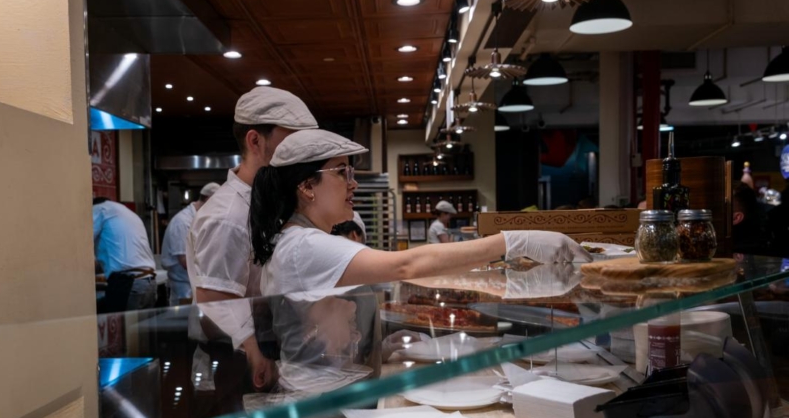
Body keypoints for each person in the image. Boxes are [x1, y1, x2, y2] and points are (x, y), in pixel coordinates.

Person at [249, 130, 592, 297]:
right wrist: (512, 242)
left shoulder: (297, 240)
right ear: (307, 186)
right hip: (320, 395)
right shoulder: (304, 245)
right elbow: (406, 265)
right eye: (342, 172)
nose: (353, 183)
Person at [186, 86, 318, 389]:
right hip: (238, 357)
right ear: (255, 140)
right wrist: (255, 354)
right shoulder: (227, 216)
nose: (300, 151)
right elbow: (216, 301)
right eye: (292, 140)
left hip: (268, 344)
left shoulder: (268, 201)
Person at [92, 197, 157, 311]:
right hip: (149, 281)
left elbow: (82, 245)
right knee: (142, 323)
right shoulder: (124, 211)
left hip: (129, 283)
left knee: (121, 322)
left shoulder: (98, 209)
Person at [161, 182, 219, 306]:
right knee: (184, 318)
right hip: (184, 289)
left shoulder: (200, 219)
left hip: (196, 286)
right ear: (209, 199)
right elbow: (185, 261)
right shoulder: (182, 222)